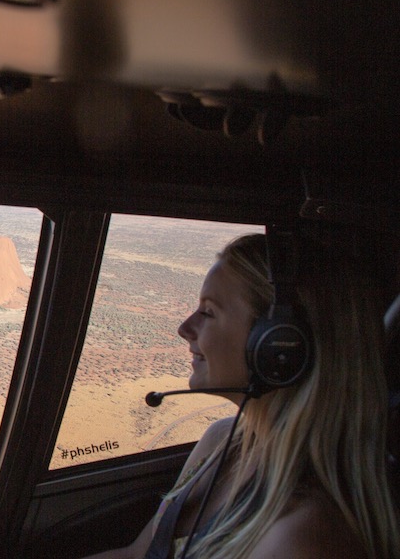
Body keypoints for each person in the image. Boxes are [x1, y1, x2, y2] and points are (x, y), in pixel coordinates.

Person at [85, 233, 400, 559]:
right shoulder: (222, 440)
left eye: (208, 312)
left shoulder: (300, 538)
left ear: (278, 345)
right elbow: (137, 554)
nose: (184, 328)